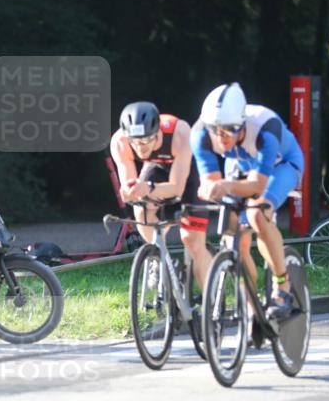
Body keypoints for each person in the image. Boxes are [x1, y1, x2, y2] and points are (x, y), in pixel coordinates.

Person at [190, 82, 305, 321]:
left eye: (228, 130)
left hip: (280, 165)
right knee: (236, 241)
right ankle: (252, 307)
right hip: (241, 166)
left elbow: (257, 186)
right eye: (216, 131)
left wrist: (227, 186)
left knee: (256, 214)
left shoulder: (265, 127)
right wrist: (211, 188)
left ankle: (282, 286)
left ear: (242, 123)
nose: (221, 138)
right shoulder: (201, 133)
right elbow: (213, 183)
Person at [110, 101, 213, 291]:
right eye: (135, 142)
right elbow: (129, 183)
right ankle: (158, 255)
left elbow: (177, 188)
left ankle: (212, 304)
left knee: (192, 242)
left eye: (146, 141)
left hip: (187, 175)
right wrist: (129, 191)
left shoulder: (179, 133)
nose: (140, 148)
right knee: (141, 208)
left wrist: (148, 188)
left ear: (157, 132)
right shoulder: (120, 142)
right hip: (156, 168)